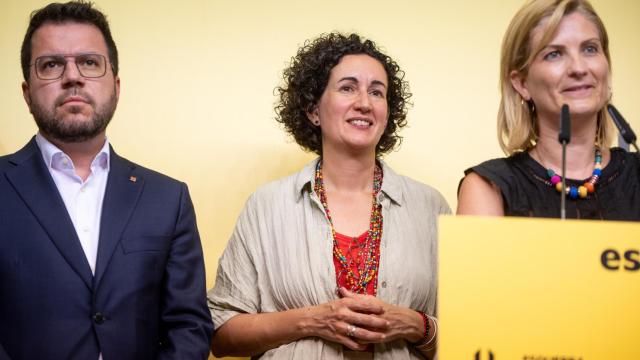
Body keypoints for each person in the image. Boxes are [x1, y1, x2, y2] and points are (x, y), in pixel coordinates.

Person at [207, 33, 450, 359]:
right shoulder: (266, 206)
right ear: (313, 110)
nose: (364, 102)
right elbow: (221, 333)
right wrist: (312, 321)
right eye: (348, 87)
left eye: (377, 92)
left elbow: (472, 333)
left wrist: (416, 324)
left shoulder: (430, 207)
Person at [0, 2, 213, 359]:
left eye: (89, 62)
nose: (73, 76)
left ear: (115, 86)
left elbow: (189, 327)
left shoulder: (167, 198)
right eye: (51, 65)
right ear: (26, 92)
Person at [457, 0, 640, 219]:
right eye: (554, 54)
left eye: (590, 49)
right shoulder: (489, 189)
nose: (579, 68)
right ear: (522, 83)